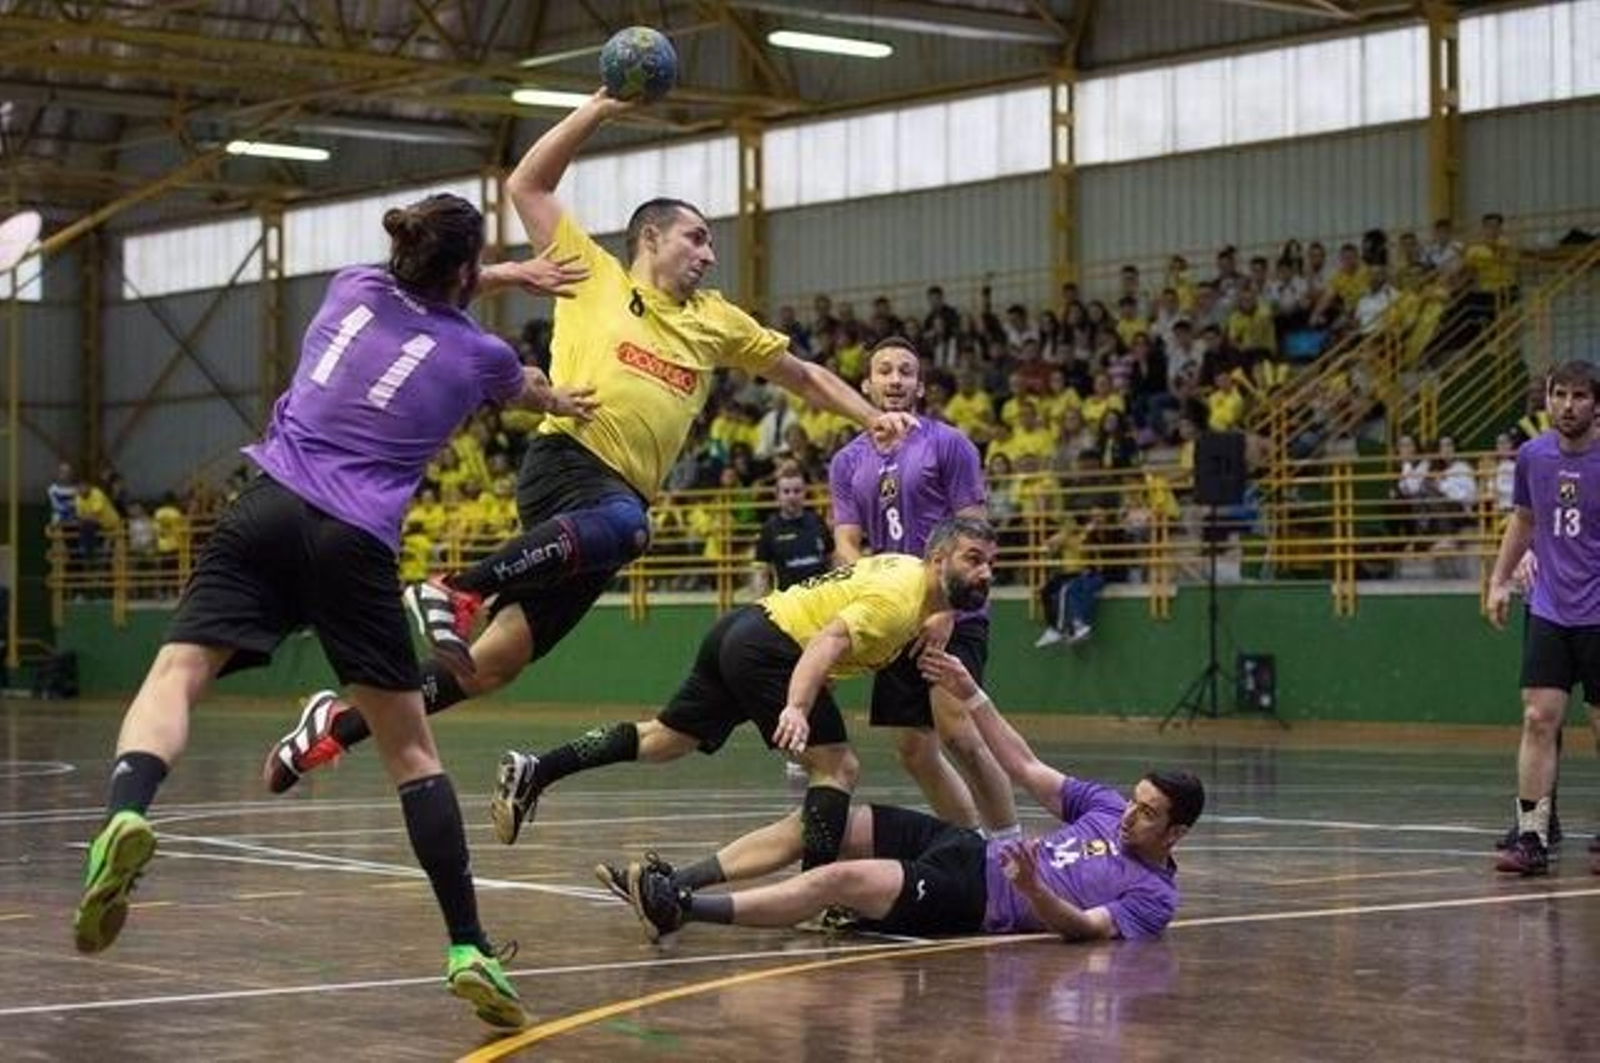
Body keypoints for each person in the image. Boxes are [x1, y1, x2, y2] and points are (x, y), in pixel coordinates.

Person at [262, 87, 913, 792]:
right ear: (651, 238)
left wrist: (864, 414)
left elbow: (804, 375)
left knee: (487, 666)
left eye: (711, 242)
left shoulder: (718, 320)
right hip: (570, 468)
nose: (708, 251)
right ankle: (456, 588)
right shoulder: (591, 274)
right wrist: (599, 109)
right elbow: (527, 184)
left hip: (604, 512)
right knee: (633, 526)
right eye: (696, 236)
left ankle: (329, 728)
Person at [70, 192, 597, 1030]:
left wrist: (494, 272)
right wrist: (559, 397)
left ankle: (126, 813)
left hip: (267, 505)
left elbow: (423, 284)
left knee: (177, 671)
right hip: (355, 541)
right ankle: (468, 945)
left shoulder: (349, 286)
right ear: (466, 271)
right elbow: (524, 385)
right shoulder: (483, 354)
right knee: (411, 750)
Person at [491, 518, 999, 897]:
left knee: (665, 740)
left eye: (990, 563)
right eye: (973, 559)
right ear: (938, 560)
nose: (986, 572)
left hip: (744, 629)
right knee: (838, 768)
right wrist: (798, 707)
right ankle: (821, 897)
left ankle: (538, 769)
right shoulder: (898, 604)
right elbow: (826, 643)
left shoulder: (911, 575)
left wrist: (946, 614)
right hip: (776, 649)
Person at [606, 646, 1204, 944]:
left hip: (976, 898)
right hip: (967, 850)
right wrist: (972, 695)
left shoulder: (1153, 898)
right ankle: (676, 877)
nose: (1130, 814)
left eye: (1148, 813)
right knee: (830, 821)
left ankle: (678, 909)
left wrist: (1033, 890)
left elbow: (1082, 930)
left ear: (1175, 833)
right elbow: (1021, 763)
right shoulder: (1104, 808)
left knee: (837, 881)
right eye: (1135, 799)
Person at [828, 337, 1019, 838]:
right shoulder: (847, 461)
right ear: (866, 384)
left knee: (959, 732)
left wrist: (947, 609)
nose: (895, 380)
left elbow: (974, 532)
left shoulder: (949, 443)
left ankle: (1009, 847)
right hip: (897, 616)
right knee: (914, 750)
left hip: (949, 612)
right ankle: (969, 845)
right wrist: (872, 585)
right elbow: (845, 542)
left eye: (906, 372)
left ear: (920, 386)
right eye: (885, 371)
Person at [1486, 359, 1600, 876]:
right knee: (1538, 720)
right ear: (1546, 399)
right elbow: (1526, 520)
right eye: (1559, 395)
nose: (1568, 405)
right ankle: (1532, 836)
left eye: (1579, 396)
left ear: (1596, 404)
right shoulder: (1533, 456)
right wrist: (1499, 580)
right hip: (1551, 605)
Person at [751, 462, 832, 594]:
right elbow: (761, 574)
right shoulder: (769, 529)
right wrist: (760, 604)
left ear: (804, 493)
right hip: (788, 605)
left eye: (797, 491)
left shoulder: (817, 521)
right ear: (777, 496)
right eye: (786, 492)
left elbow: (832, 560)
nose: (792, 496)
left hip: (821, 599)